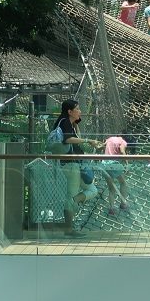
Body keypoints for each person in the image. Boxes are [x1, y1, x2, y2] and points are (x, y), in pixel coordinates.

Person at [51, 98, 103, 237]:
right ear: (69, 111)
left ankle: (73, 203)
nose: (80, 111)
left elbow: (75, 133)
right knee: (72, 194)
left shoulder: (70, 123)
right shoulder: (65, 122)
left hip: (75, 163)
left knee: (92, 190)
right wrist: (88, 140)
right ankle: (69, 228)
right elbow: (67, 139)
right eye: (77, 109)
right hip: (71, 164)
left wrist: (77, 121)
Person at [100, 134, 134, 215]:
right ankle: (123, 204)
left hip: (104, 163)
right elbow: (122, 151)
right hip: (114, 164)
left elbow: (102, 146)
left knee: (111, 188)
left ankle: (111, 208)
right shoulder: (123, 142)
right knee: (123, 183)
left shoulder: (110, 138)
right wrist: (127, 164)